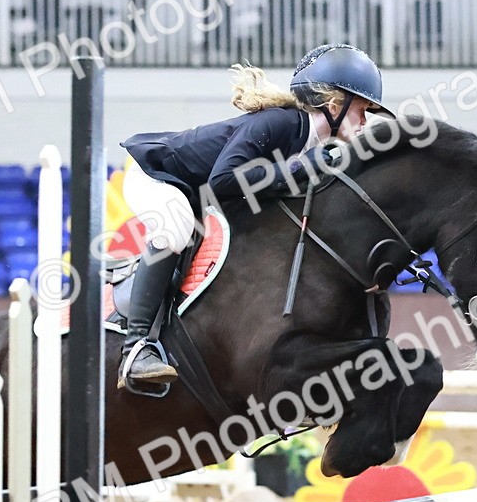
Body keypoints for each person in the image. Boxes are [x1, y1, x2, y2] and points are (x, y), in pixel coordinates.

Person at [116, 43, 395, 392]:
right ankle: (136, 348)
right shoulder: (282, 123)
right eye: (362, 110)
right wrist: (299, 167)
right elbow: (223, 180)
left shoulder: (313, 146)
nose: (366, 122)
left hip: (201, 193)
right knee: (177, 229)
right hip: (156, 176)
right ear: (334, 104)